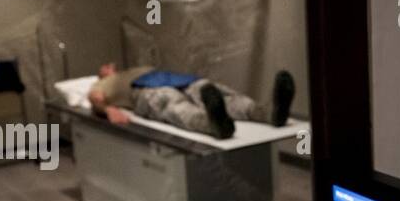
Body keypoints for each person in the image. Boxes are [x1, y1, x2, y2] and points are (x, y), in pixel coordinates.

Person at [88, 64, 296, 139]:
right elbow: (95, 100)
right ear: (101, 74)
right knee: (174, 106)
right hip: (147, 90)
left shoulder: (135, 67)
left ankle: (268, 113)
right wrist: (108, 111)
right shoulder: (102, 84)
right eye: (104, 66)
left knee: (222, 96)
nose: (109, 64)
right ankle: (213, 125)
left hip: (182, 80)